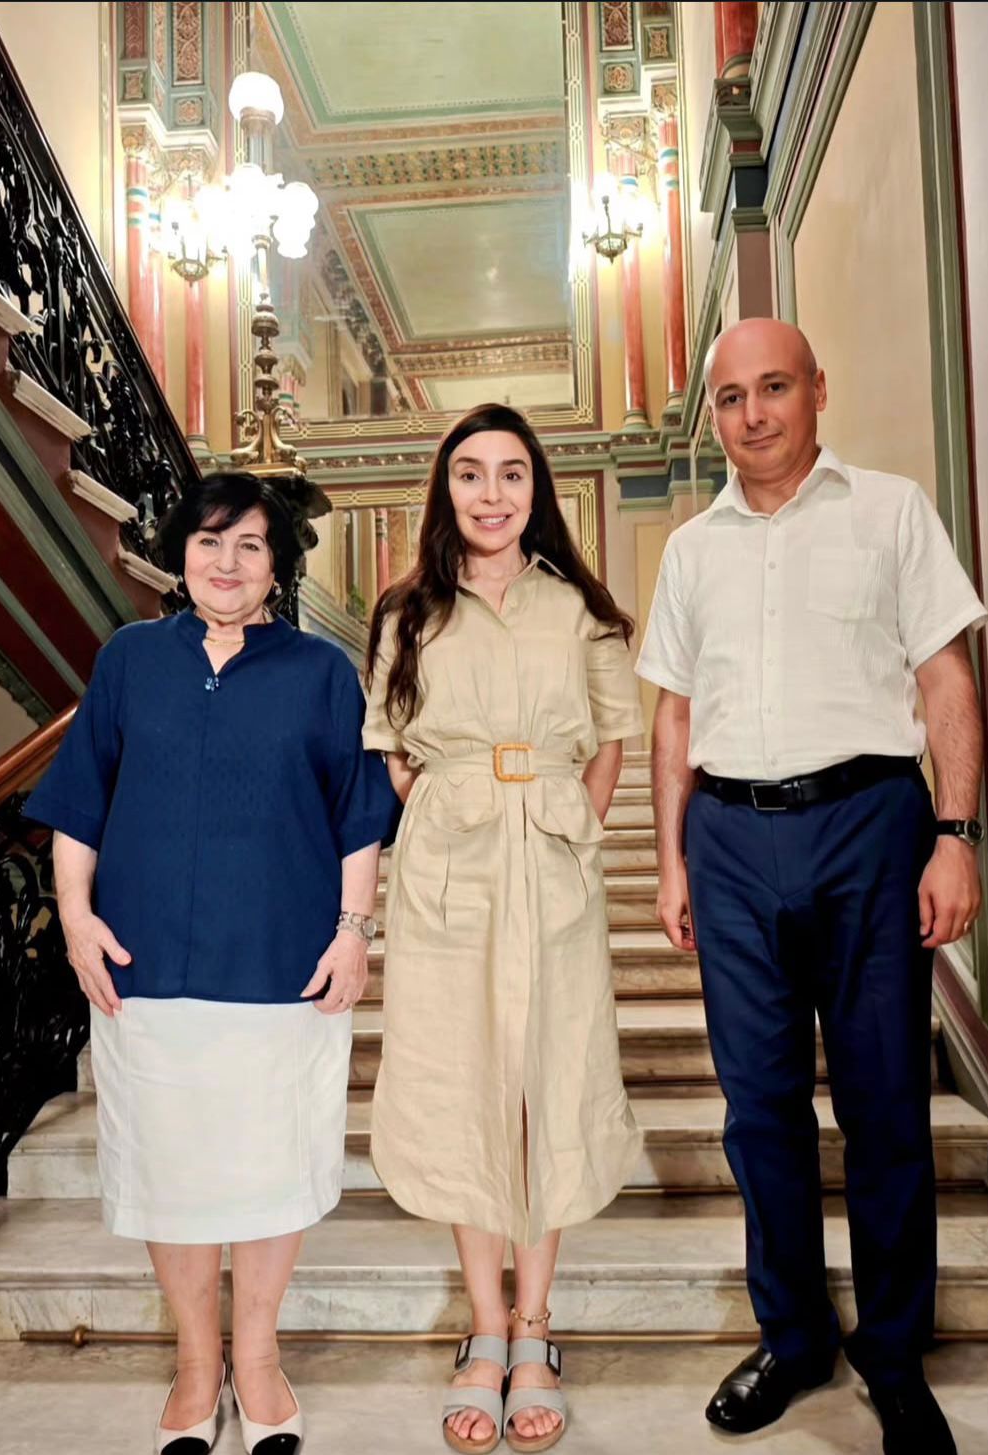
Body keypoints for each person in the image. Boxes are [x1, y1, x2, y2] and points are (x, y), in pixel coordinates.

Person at [636, 319, 987, 1455]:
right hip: (731, 842)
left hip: (870, 828)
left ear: (816, 391)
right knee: (760, 1112)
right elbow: (674, 715)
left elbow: (945, 678)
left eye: (774, 387)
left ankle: (892, 1352)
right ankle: (793, 1338)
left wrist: (956, 835)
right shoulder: (692, 550)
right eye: (731, 397)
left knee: (885, 1102)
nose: (753, 415)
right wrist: (673, 860)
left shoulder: (891, 512)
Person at [25, 472, 399, 1455]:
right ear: (180, 554)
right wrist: (76, 919)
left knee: (273, 1165)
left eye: (250, 545)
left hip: (285, 967)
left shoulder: (321, 673)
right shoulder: (130, 660)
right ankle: (198, 1364)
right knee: (172, 1172)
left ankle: (258, 1358)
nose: (226, 563)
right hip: (146, 965)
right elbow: (80, 802)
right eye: (208, 541)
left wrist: (353, 933)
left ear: (277, 567)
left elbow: (359, 816)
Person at [363, 403, 643, 1454]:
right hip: (449, 870)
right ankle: (486, 1326)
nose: (492, 493)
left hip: (552, 861)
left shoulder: (579, 609)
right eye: (471, 473)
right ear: (446, 489)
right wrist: (450, 808)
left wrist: (571, 821)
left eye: (512, 473)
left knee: (548, 1085)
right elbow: (392, 746)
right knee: (463, 1082)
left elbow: (611, 740)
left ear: (537, 490)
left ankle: (536, 1325)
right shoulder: (407, 613)